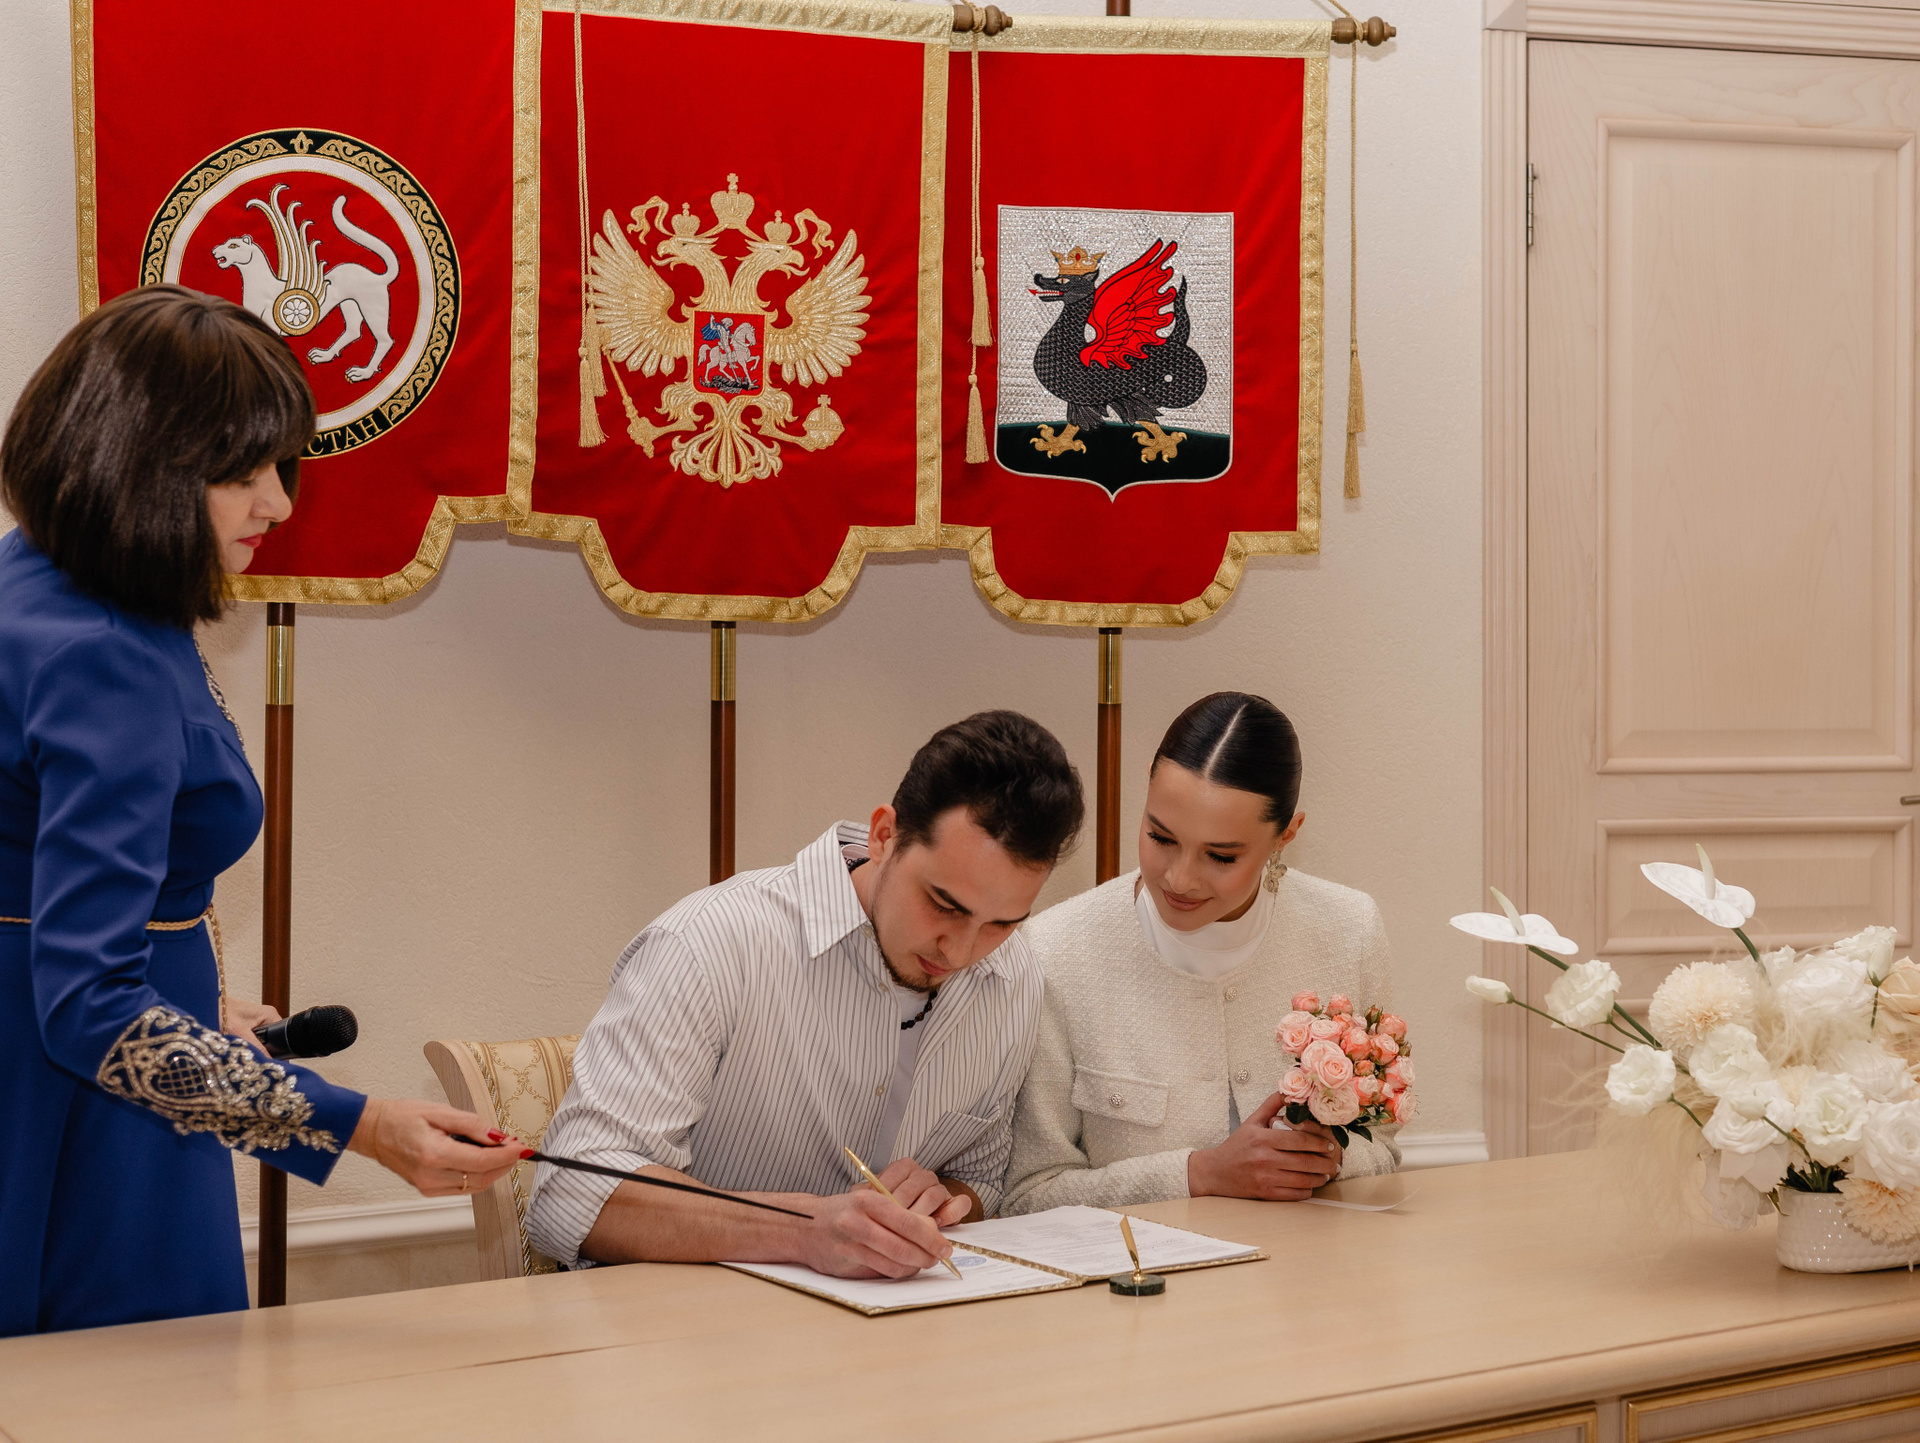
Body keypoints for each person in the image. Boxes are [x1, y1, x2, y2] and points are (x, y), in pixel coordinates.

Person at [0, 287, 519, 1337]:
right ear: (136, 468)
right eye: (241, 474)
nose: (278, 503)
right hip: (87, 1124)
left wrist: (193, 990)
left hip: (56, 1060)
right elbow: (89, 1009)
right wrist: (361, 1127)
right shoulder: (105, 656)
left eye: (282, 467)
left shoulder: (44, 581)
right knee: (131, 1390)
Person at [527, 711, 1084, 1278]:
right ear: (884, 836)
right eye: (945, 905)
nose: (961, 952)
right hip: (679, 1320)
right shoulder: (710, 942)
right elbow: (570, 1191)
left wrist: (942, 1200)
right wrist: (802, 1229)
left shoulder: (1012, 976)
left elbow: (983, 1180)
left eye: (1001, 923)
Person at [1001, 692, 1400, 1215]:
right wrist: (1199, 1175)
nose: (1179, 879)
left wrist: (1321, 1159)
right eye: (1160, 837)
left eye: (1220, 856)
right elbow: (1028, 1194)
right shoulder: (1056, 950)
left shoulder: (1348, 929)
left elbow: (1382, 1149)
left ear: (1286, 835)